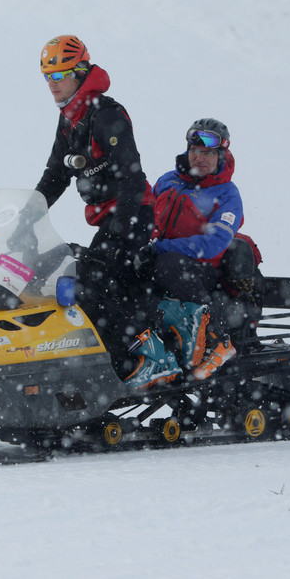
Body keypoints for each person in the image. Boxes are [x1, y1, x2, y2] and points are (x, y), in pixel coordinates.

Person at [34, 35, 181, 390]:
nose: (53, 84)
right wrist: (27, 214)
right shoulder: (70, 118)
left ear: (80, 71)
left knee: (94, 284)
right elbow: (56, 175)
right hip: (109, 221)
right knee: (66, 279)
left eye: (60, 75)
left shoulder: (106, 114)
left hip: (134, 216)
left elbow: (132, 177)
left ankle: (147, 358)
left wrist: (125, 230)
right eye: (47, 77)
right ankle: (98, 364)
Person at [138, 118, 245, 380]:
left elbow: (213, 243)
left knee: (169, 265)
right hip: (162, 258)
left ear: (221, 155)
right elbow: (144, 219)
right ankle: (149, 355)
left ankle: (217, 341)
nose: (198, 158)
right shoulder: (168, 181)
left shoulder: (227, 194)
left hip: (203, 270)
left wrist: (160, 248)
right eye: (194, 151)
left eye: (207, 153)